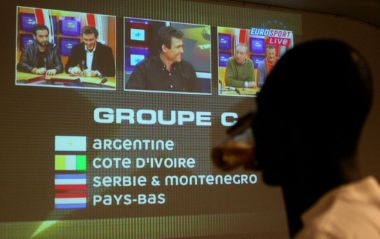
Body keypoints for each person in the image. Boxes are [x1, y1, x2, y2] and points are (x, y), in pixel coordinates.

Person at [215, 39, 380, 238]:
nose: (253, 125)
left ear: (301, 123)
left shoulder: (323, 234)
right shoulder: (371, 213)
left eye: (265, 110)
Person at [126, 26, 201, 93]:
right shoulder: (143, 68)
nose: (182, 51)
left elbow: (199, 102)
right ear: (164, 48)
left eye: (182, 47)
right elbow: (132, 99)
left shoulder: (188, 69)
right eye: (178, 47)